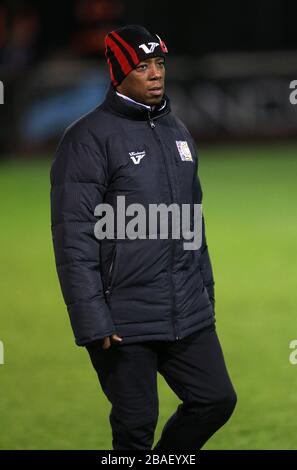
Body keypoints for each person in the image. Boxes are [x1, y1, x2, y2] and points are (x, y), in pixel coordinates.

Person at [50, 24, 237, 451]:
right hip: (123, 319)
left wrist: (204, 291)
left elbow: (193, 222)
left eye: (159, 63)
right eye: (141, 65)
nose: (155, 73)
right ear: (118, 72)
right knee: (136, 428)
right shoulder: (86, 139)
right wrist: (92, 318)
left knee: (216, 399)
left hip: (185, 309)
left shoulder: (177, 131)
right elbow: (73, 241)